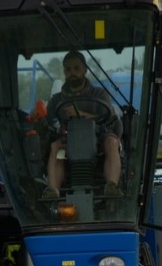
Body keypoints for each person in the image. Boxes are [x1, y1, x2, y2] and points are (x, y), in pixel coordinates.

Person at [45, 50, 122, 195]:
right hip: (68, 144)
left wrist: (80, 114)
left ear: (85, 70)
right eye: (68, 69)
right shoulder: (56, 100)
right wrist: (37, 115)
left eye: (76, 68)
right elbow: (47, 122)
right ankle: (53, 192)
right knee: (56, 147)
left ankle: (112, 188)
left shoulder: (99, 94)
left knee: (112, 142)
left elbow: (110, 117)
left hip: (99, 142)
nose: (72, 72)